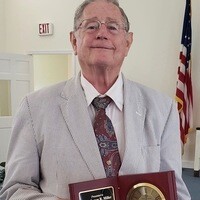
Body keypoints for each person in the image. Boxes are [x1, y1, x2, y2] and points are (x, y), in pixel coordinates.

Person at [0, 0, 191, 199]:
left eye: (112, 26)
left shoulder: (162, 108)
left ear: (127, 43)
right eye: (91, 26)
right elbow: (15, 189)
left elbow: (176, 191)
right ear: (74, 41)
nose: (102, 33)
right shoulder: (34, 108)